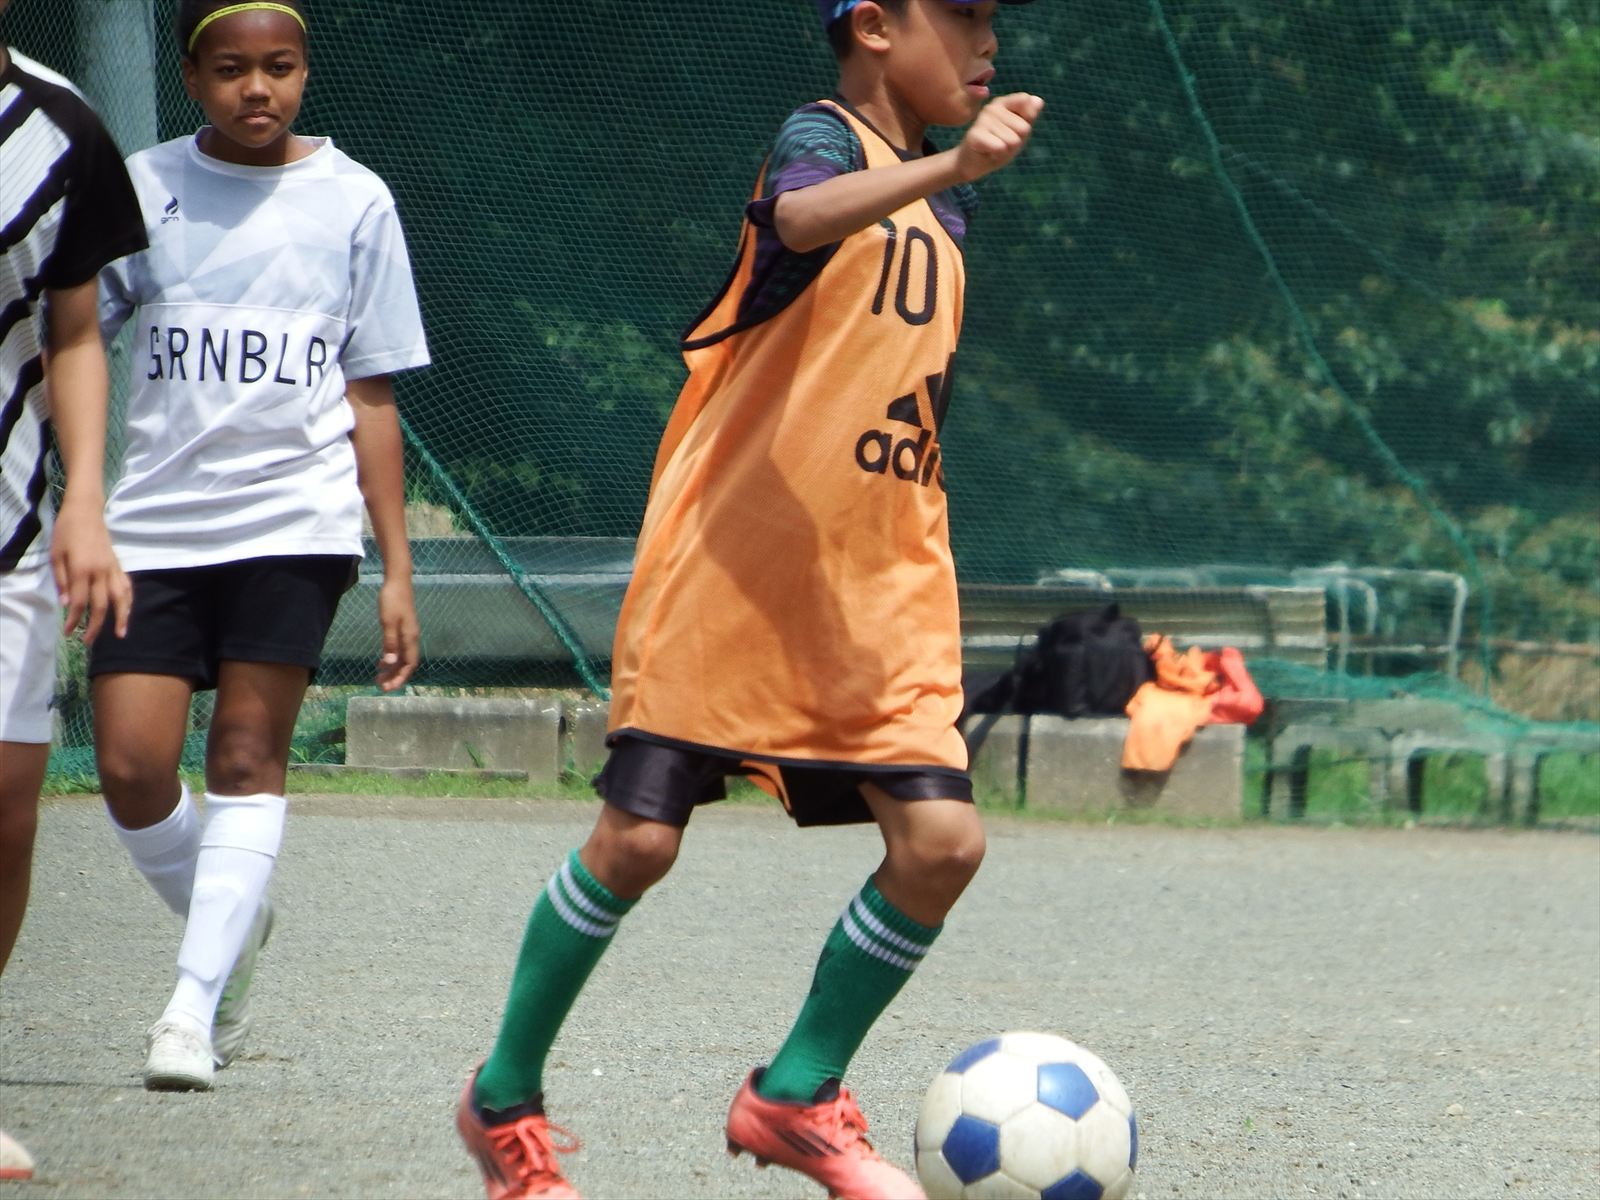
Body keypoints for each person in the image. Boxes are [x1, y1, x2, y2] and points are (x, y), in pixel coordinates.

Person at [456, 2, 1043, 1197]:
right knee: (636, 843)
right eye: (961, 14)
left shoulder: (949, 206)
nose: (987, 41)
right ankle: (502, 1098)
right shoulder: (821, 141)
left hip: (881, 587)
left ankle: (794, 1093)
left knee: (940, 844)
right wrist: (950, 163)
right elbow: (799, 218)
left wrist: (950, 178)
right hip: (730, 571)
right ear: (872, 25)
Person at [92, 0, 428, 1092]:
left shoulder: (356, 198)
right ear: (193, 78)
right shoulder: (141, 185)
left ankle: (189, 1012)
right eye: (232, 69)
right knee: (131, 767)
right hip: (152, 525)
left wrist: (397, 569)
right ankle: (234, 923)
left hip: (295, 522)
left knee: (244, 755)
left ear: (305, 73)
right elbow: (74, 339)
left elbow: (371, 394)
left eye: (279, 67)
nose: (257, 89)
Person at [0, 12, 147, 1175]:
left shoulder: (60, 127)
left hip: (10, 527)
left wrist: (85, 502)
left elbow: (76, 325)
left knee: (6, 814)